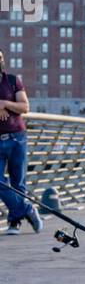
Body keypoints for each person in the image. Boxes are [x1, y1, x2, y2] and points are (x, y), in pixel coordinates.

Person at [0, 48, 43, 234]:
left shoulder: (11, 80)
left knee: (19, 182)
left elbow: (24, 107)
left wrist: (4, 104)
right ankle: (27, 210)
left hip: (17, 138)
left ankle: (14, 223)